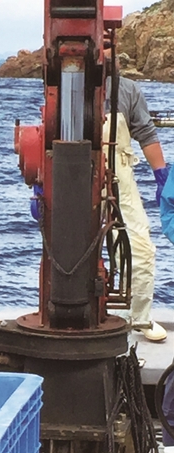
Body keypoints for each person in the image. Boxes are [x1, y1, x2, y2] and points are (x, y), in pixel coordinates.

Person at [103, 71, 169, 342]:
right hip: (70, 177)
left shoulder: (128, 90)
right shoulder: (62, 85)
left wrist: (162, 175)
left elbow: (145, 133)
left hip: (120, 176)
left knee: (139, 247)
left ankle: (138, 317)